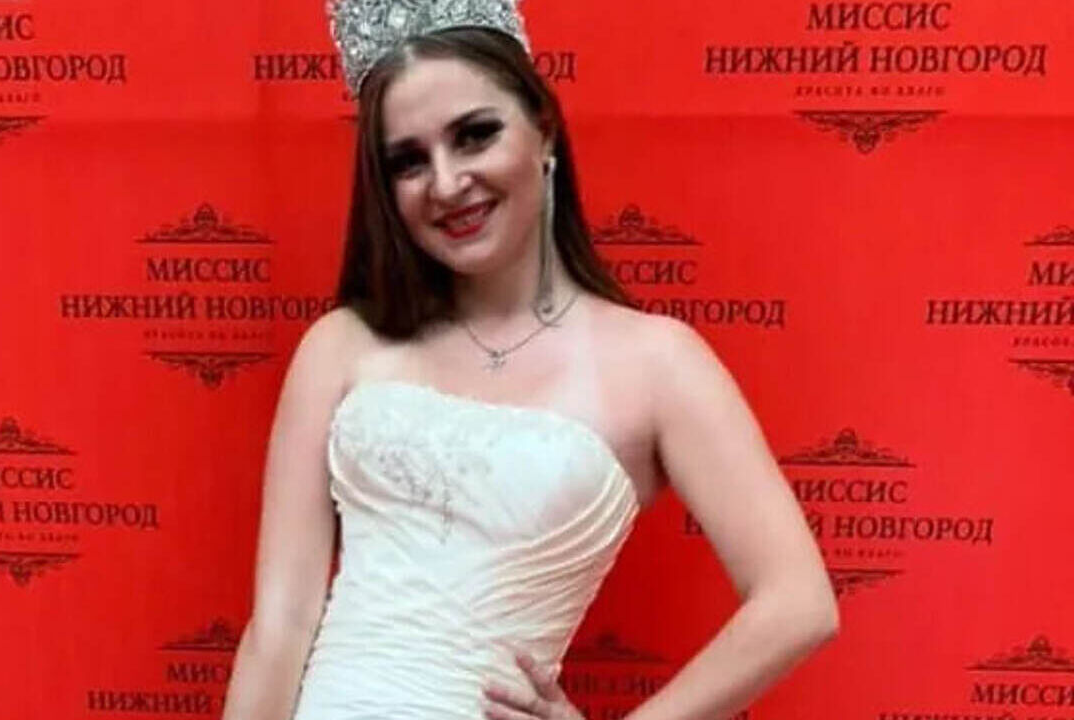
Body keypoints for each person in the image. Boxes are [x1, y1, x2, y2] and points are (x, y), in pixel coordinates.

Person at [222, 1, 839, 718]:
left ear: (543, 128)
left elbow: (800, 602)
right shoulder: (341, 345)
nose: (446, 183)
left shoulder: (657, 363)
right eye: (409, 161)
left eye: (474, 136)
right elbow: (280, 626)